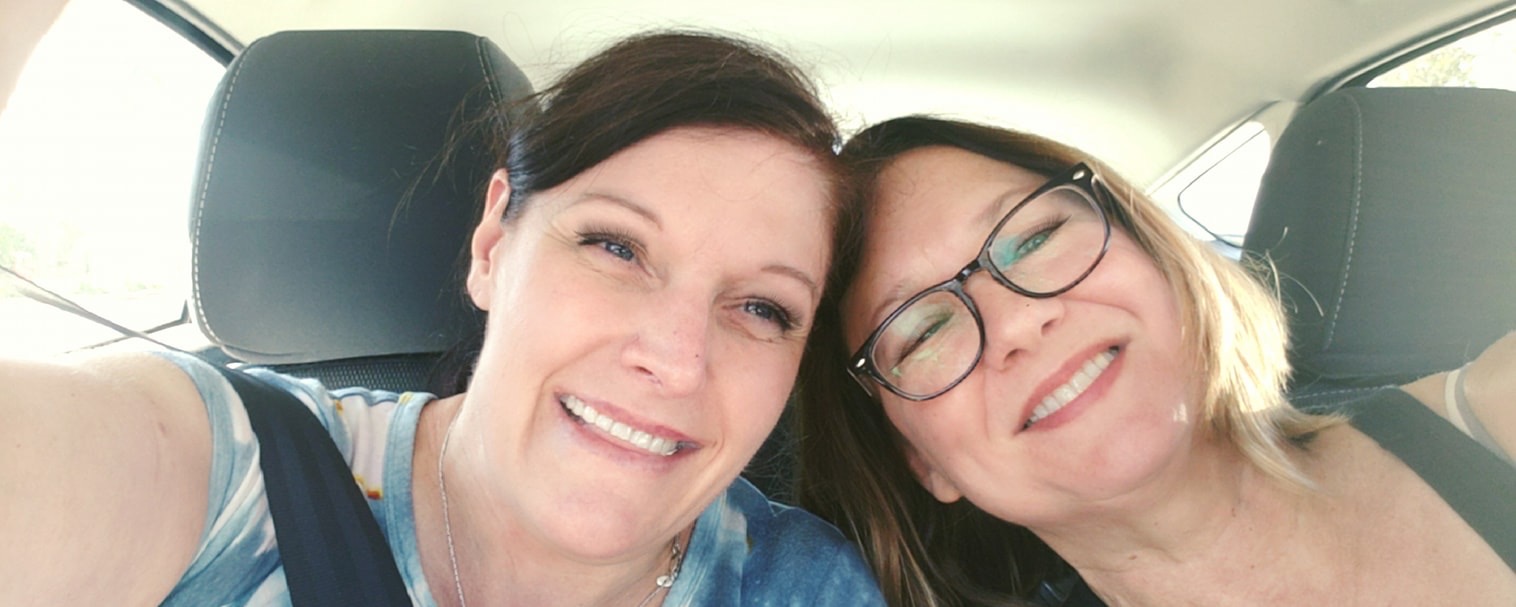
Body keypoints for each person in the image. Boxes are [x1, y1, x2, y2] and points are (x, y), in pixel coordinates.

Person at [1, 31, 885, 606]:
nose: (678, 357)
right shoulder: (239, 473)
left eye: (763, 307)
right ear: (494, 244)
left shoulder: (804, 585)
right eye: (616, 247)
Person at [793, 115, 1516, 606]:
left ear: (1158, 252)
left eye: (1037, 237)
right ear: (923, 462)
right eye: (922, 331)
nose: (1015, 322)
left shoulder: (1492, 414)